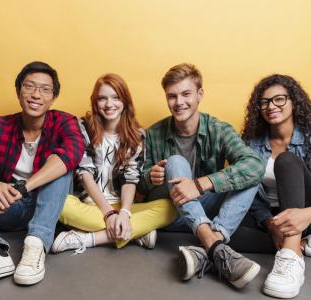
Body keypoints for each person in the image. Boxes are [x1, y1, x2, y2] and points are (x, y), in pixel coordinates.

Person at [0, 61, 84, 291]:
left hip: (50, 207)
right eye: (29, 86)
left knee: (61, 168)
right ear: (18, 91)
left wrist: (25, 187)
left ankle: (36, 244)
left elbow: (72, 153)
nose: (35, 94)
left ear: (53, 98)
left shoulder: (64, 121)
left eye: (44, 89)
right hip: (9, 204)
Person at [137, 63, 264, 289]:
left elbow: (254, 165)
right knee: (176, 161)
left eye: (186, 94)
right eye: (172, 96)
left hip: (203, 213)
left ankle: (207, 246)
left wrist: (200, 184)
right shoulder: (154, 133)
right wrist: (150, 177)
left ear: (200, 94)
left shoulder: (219, 129)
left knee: (251, 174)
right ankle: (214, 245)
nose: (179, 102)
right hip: (170, 213)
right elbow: (140, 185)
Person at [51, 73, 176, 254]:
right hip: (88, 205)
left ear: (125, 100)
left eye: (116, 98)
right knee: (58, 203)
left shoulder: (137, 135)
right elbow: (84, 174)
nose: (109, 104)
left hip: (125, 206)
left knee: (171, 208)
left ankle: (87, 237)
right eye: (103, 98)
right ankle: (135, 231)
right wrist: (108, 214)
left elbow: (130, 178)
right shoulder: (82, 128)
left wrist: (124, 212)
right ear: (95, 102)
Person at [242, 74, 311, 299]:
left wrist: (307, 214)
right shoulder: (251, 143)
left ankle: (292, 256)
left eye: (279, 99)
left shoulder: (309, 137)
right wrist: (269, 223)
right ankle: (300, 243)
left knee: (286, 160)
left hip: (307, 213)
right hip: (272, 218)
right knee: (222, 232)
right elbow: (247, 191)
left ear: (294, 101)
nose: (271, 106)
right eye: (264, 102)